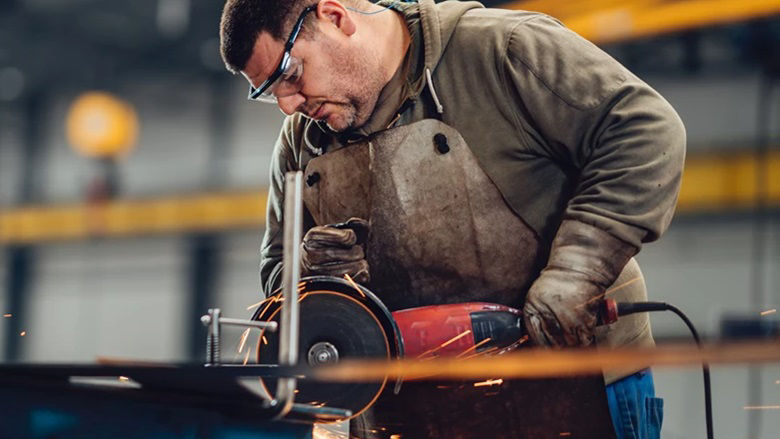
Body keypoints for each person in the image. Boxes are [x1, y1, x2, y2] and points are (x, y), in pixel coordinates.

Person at [219, 0, 685, 438]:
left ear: (335, 17)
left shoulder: (501, 52)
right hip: (404, 413)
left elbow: (643, 130)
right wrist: (319, 283)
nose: (288, 104)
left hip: (574, 381)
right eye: (269, 92)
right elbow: (278, 277)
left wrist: (578, 272)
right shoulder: (302, 143)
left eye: (291, 73)